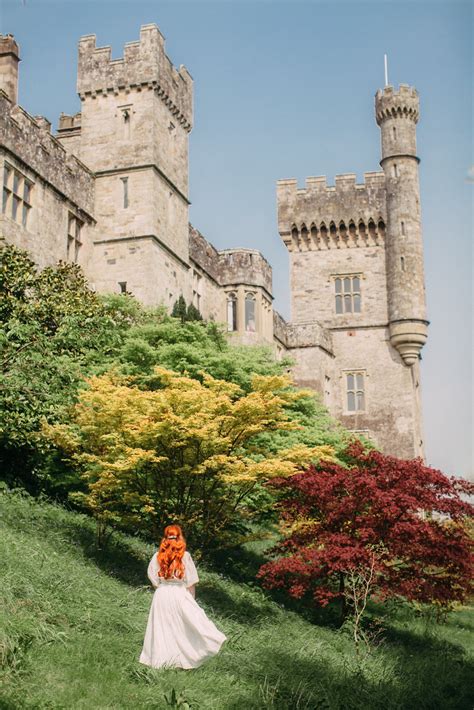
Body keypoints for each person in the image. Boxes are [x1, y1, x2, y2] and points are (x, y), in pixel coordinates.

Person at [138, 524, 227, 669]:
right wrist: (191, 600)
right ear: (180, 537)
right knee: (182, 626)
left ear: (165, 538)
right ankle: (182, 659)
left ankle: (161, 662)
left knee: (162, 628)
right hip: (179, 593)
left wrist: (162, 588)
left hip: (161, 594)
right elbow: (191, 581)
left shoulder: (157, 555)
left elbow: (153, 578)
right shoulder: (185, 556)